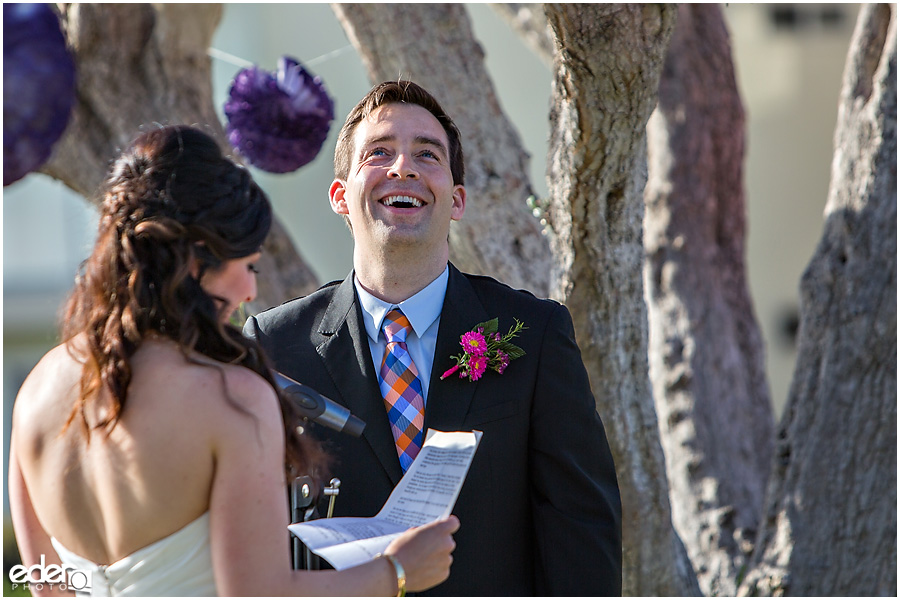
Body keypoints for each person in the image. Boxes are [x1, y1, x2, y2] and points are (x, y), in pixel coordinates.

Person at [8, 125, 458, 597]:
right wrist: (397, 572)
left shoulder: (35, 391)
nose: (250, 292)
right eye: (247, 266)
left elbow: (45, 586)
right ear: (193, 261)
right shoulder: (233, 399)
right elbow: (257, 593)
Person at [244, 81, 622, 595]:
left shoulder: (533, 335)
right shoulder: (275, 346)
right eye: (379, 153)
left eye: (427, 154)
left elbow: (581, 530)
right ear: (339, 196)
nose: (404, 168)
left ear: (457, 199)